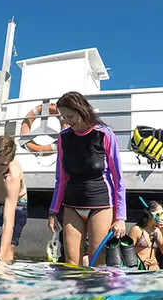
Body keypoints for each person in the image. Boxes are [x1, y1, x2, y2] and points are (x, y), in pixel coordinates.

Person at [48, 91, 127, 266]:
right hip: (72, 205)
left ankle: (95, 294)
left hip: (101, 205)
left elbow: (119, 180)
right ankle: (74, 293)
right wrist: (53, 211)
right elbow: (60, 178)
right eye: (63, 117)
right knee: (71, 262)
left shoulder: (105, 135)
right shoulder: (63, 138)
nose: (67, 121)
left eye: (70, 116)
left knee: (96, 260)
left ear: (82, 110)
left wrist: (120, 217)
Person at [128, 200, 163, 270]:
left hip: (155, 268)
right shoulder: (137, 230)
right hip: (141, 268)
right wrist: (139, 262)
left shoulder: (158, 230)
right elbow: (127, 252)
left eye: (162, 214)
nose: (161, 218)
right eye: (158, 214)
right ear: (150, 214)